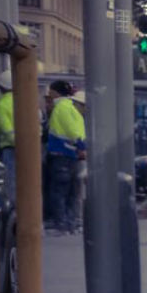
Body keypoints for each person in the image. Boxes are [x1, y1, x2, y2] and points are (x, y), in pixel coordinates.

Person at [45, 80, 85, 233]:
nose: (49, 94)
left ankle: (61, 225)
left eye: (51, 91)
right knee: (73, 193)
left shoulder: (60, 108)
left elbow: (71, 131)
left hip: (61, 154)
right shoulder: (72, 107)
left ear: (56, 92)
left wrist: (79, 145)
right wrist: (81, 147)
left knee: (59, 192)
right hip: (74, 156)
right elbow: (78, 131)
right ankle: (73, 224)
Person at [0, 70, 15, 199]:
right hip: (31, 149)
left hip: (10, 149)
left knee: (11, 182)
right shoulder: (27, 101)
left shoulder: (1, 106)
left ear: (1, 87)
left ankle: (13, 212)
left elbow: (6, 131)